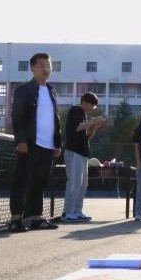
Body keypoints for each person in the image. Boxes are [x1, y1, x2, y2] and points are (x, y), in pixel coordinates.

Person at [9, 53, 62, 232]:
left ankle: (36, 218)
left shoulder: (51, 91)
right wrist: (21, 140)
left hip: (48, 145)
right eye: (41, 65)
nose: (45, 69)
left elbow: (55, 119)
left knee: (40, 182)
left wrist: (57, 143)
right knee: (21, 181)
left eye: (48, 65)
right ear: (32, 68)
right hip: (30, 144)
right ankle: (15, 219)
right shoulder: (23, 90)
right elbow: (17, 118)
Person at [61, 92, 105, 223]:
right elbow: (78, 127)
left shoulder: (84, 115)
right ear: (85, 102)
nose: (93, 108)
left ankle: (77, 211)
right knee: (74, 182)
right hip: (73, 151)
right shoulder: (76, 110)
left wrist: (95, 127)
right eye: (92, 105)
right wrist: (92, 121)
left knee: (83, 184)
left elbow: (87, 137)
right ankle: (68, 212)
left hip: (83, 152)